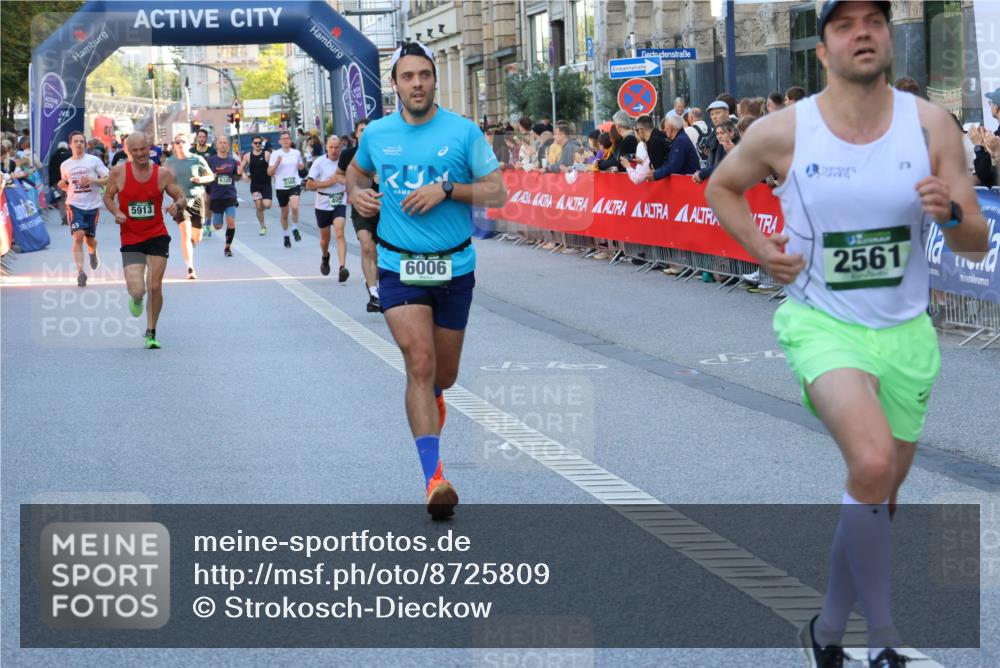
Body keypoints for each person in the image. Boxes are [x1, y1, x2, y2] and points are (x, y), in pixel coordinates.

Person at [704, 3, 990, 666]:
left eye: (874, 19)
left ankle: (827, 632)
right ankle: (883, 641)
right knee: (869, 463)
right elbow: (724, 186)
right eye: (844, 23)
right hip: (820, 322)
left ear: (889, 38)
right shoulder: (784, 131)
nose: (863, 31)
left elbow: (975, 241)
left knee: (878, 499)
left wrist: (949, 214)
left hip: (906, 336)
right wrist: (760, 249)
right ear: (823, 51)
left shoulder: (931, 126)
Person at [345, 41, 507, 520]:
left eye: (425, 75)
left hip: (454, 266)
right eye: (408, 76)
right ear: (394, 84)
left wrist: (449, 188)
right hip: (399, 264)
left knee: (443, 375)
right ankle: (434, 479)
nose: (417, 83)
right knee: (419, 362)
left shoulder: (462, 132)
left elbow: (498, 191)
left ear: (434, 81)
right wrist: (359, 195)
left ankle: (434, 398)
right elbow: (354, 174)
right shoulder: (378, 133)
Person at [103, 132, 187, 349]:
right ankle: (137, 299)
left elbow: (181, 197)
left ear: (150, 148)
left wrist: (176, 205)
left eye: (143, 149)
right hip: (130, 236)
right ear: (128, 151)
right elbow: (108, 197)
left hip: (157, 234)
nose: (140, 154)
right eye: (135, 150)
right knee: (138, 289)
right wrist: (115, 211)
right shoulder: (118, 173)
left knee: (155, 285)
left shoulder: (163, 174)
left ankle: (151, 331)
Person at [337, 118, 381, 311]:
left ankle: (378, 284)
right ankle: (373, 294)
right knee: (366, 245)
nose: (365, 132)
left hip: (384, 206)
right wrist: (353, 187)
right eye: (362, 130)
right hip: (361, 206)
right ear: (356, 134)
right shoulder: (348, 155)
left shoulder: (385, 152)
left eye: (369, 129)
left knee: (380, 251)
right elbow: (338, 175)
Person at [59, 131, 110, 287]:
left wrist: (93, 179)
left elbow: (109, 178)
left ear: (85, 144)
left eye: (81, 141)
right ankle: (81, 272)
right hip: (74, 204)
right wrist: (62, 185)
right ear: (70, 145)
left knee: (90, 239)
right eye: (76, 141)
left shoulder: (93, 161)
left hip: (92, 205)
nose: (79, 144)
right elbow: (66, 183)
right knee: (78, 235)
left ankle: (93, 251)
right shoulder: (65, 165)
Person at [165, 132, 214, 279]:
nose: (180, 144)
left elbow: (211, 176)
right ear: (174, 145)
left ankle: (190, 247)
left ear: (189, 144)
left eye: (183, 142)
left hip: (197, 199)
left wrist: (201, 179)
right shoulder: (169, 162)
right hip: (180, 201)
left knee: (196, 237)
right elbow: (164, 180)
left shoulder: (197, 159)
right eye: (177, 142)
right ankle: (190, 268)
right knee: (185, 232)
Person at [306, 135, 349, 280]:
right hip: (323, 203)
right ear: (326, 147)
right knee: (325, 240)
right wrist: (328, 183)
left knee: (339, 232)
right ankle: (325, 256)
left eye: (337, 147)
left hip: (339, 200)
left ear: (341, 148)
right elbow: (309, 185)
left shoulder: (346, 161)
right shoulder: (319, 162)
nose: (334, 150)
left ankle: (342, 267)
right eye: (331, 147)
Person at [268, 130, 306, 248]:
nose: (285, 140)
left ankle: (294, 228)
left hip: (294, 184)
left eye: (287, 138)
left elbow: (301, 166)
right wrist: (276, 164)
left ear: (290, 140)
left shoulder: (296, 153)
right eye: (283, 139)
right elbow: (269, 172)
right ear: (279, 141)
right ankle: (286, 235)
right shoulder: (275, 154)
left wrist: (301, 167)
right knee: (284, 214)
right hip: (281, 187)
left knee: (294, 206)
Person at [206, 136, 241, 257]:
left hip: (230, 195)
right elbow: (204, 177)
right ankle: (212, 223)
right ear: (216, 145)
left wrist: (240, 174)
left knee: (231, 222)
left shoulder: (232, 161)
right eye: (220, 142)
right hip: (216, 196)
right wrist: (212, 177)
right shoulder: (211, 161)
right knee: (217, 226)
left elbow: (236, 177)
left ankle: (227, 247)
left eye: (225, 143)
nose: (222, 144)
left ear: (228, 146)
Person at [241, 135, 272, 236]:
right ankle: (263, 226)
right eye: (255, 143)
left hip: (266, 184)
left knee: (267, 205)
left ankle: (262, 207)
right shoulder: (248, 156)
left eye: (259, 143)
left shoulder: (267, 154)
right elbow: (240, 167)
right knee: (258, 206)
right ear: (252, 144)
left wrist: (274, 173)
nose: (258, 144)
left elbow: (273, 165)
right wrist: (244, 175)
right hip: (255, 185)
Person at [971, 88, 1000, 188]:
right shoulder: (996, 134)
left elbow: (986, 175)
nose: (991, 106)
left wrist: (979, 146)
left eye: (991, 103)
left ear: (996, 107)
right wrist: (984, 143)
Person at [190, 129, 215, 237]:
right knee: (202, 201)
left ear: (206, 138)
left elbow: (216, 164)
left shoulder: (212, 151)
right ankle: (201, 224)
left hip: (209, 180)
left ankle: (207, 224)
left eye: (203, 137)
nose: (201, 139)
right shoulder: (191, 151)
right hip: (196, 181)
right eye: (199, 137)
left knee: (208, 202)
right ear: (197, 138)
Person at [47, 140, 72, 224]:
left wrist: (51, 183)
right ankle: (71, 217)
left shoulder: (54, 156)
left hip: (57, 182)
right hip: (69, 181)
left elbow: (50, 170)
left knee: (60, 200)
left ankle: (64, 218)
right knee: (70, 199)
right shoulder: (70, 155)